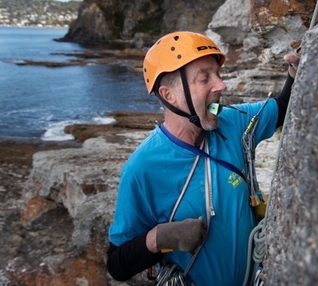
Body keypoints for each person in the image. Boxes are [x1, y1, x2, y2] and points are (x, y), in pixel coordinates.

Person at [106, 31, 301, 285]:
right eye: (204, 78)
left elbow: (281, 108)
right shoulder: (142, 168)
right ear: (169, 95)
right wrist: (160, 238)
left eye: (217, 75)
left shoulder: (229, 120)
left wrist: (294, 71)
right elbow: (117, 265)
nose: (221, 85)